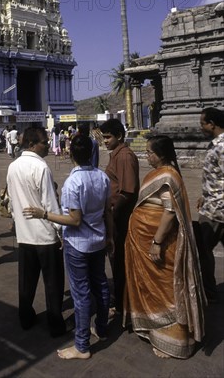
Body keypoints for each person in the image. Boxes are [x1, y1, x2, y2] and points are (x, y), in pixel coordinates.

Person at [23, 134, 113, 360]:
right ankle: (101, 328)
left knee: (81, 294)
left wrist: (44, 214)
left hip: (79, 243)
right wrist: (110, 236)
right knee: (100, 284)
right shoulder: (102, 177)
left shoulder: (74, 182)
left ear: (70, 153)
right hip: (98, 240)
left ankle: (82, 345)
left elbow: (74, 220)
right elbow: (107, 211)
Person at [124, 135, 206, 359]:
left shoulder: (168, 175)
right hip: (145, 241)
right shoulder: (159, 173)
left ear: (161, 154)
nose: (147, 156)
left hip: (160, 244)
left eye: (150, 152)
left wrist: (157, 242)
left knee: (167, 289)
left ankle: (176, 339)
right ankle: (154, 328)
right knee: (154, 288)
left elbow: (170, 213)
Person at [6, 126, 66, 338]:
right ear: (31, 144)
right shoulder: (41, 168)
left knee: (27, 281)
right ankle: (55, 323)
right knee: (53, 283)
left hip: (25, 235)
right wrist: (60, 231)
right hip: (45, 235)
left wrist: (17, 222)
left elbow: (12, 201)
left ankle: (26, 317)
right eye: (44, 142)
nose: (48, 145)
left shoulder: (13, 167)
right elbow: (50, 204)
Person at [99, 118, 139, 314]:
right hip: (114, 216)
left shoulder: (124, 156)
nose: (105, 141)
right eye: (104, 137)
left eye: (108, 137)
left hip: (120, 218)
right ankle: (122, 298)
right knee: (116, 260)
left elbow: (127, 191)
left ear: (119, 136)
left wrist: (112, 214)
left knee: (120, 260)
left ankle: (124, 304)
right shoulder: (116, 155)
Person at [197, 107, 224, 303]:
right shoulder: (214, 145)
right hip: (211, 202)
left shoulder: (222, 147)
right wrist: (204, 195)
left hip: (216, 210)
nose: (201, 127)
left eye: (203, 123)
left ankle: (209, 292)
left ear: (212, 124)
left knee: (203, 249)